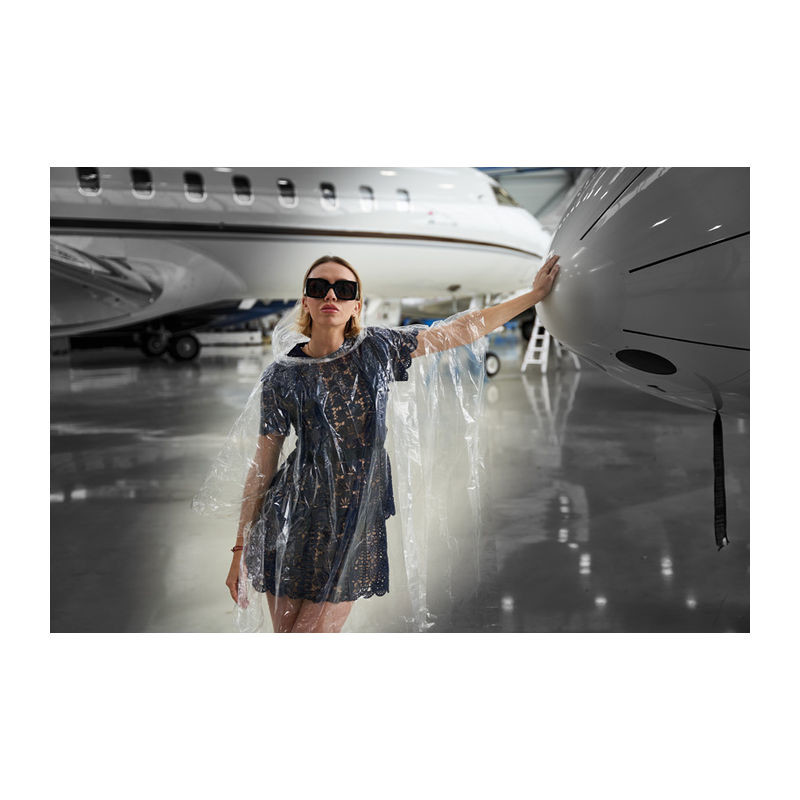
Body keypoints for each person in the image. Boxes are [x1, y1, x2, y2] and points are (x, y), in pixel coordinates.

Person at [222, 252, 560, 633]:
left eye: (344, 289)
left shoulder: (376, 350)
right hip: (289, 521)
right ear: (306, 302)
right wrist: (239, 549)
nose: (330, 295)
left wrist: (532, 296)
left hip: (353, 520)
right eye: (319, 287)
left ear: (356, 305)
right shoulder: (283, 374)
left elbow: (459, 330)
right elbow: (262, 465)